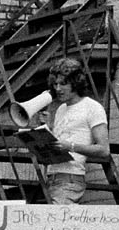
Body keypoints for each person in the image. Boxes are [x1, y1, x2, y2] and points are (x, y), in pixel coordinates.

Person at [29, 58, 109, 205]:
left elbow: (104, 149)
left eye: (63, 83)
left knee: (56, 224)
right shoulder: (61, 109)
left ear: (76, 82)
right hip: (52, 177)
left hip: (70, 177)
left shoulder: (92, 107)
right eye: (55, 84)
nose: (58, 88)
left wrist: (70, 146)